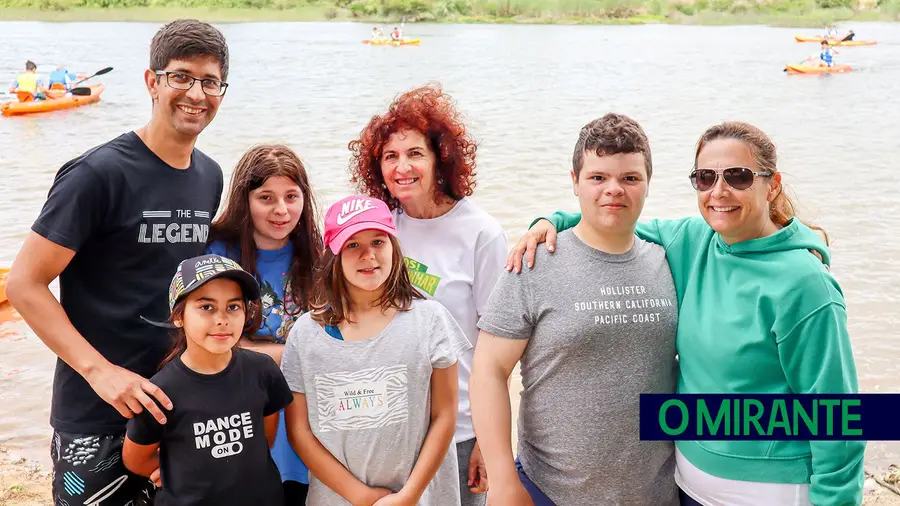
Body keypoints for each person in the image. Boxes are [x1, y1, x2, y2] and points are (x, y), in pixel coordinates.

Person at [509, 121, 866, 506]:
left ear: (772, 184)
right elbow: (615, 217)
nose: (719, 191)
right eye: (705, 178)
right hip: (685, 488)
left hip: (772, 492)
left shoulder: (805, 284)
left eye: (739, 177)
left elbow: (838, 415)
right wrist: (549, 223)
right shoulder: (692, 240)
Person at [5, 19, 230, 506]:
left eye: (210, 82)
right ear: (152, 82)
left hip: (177, 405)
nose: (196, 93)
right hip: (97, 415)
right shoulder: (98, 174)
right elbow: (25, 283)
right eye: (182, 77)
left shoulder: (209, 176)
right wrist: (99, 371)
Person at [469, 114, 679, 506]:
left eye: (630, 178)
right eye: (598, 178)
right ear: (575, 182)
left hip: (657, 492)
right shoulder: (535, 261)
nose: (613, 190)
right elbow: (488, 370)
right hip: (549, 490)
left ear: (648, 185)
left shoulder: (669, 262)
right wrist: (502, 480)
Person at [348, 83, 507, 506]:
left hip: (459, 431)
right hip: (389, 425)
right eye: (390, 156)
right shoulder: (379, 230)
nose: (402, 167)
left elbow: (498, 348)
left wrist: (489, 443)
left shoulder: (481, 234)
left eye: (415, 153)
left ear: (441, 158)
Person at [281, 195, 471, 505]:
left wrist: (408, 496)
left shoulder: (429, 319)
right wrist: (362, 496)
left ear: (394, 247)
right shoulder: (305, 334)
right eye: (353, 245)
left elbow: (445, 415)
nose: (368, 255)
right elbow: (300, 432)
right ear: (334, 256)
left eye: (378, 242)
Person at [122, 254, 293, 505]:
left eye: (233, 307)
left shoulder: (263, 371)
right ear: (178, 316)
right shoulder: (160, 392)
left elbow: (264, 439)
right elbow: (136, 459)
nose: (222, 319)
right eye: (206, 307)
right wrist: (178, 471)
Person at [206, 144, 323, 503]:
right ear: (245, 200)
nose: (281, 210)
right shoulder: (219, 256)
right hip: (246, 419)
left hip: (309, 422)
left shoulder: (319, 255)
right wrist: (288, 352)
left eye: (291, 196)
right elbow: (212, 342)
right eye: (266, 197)